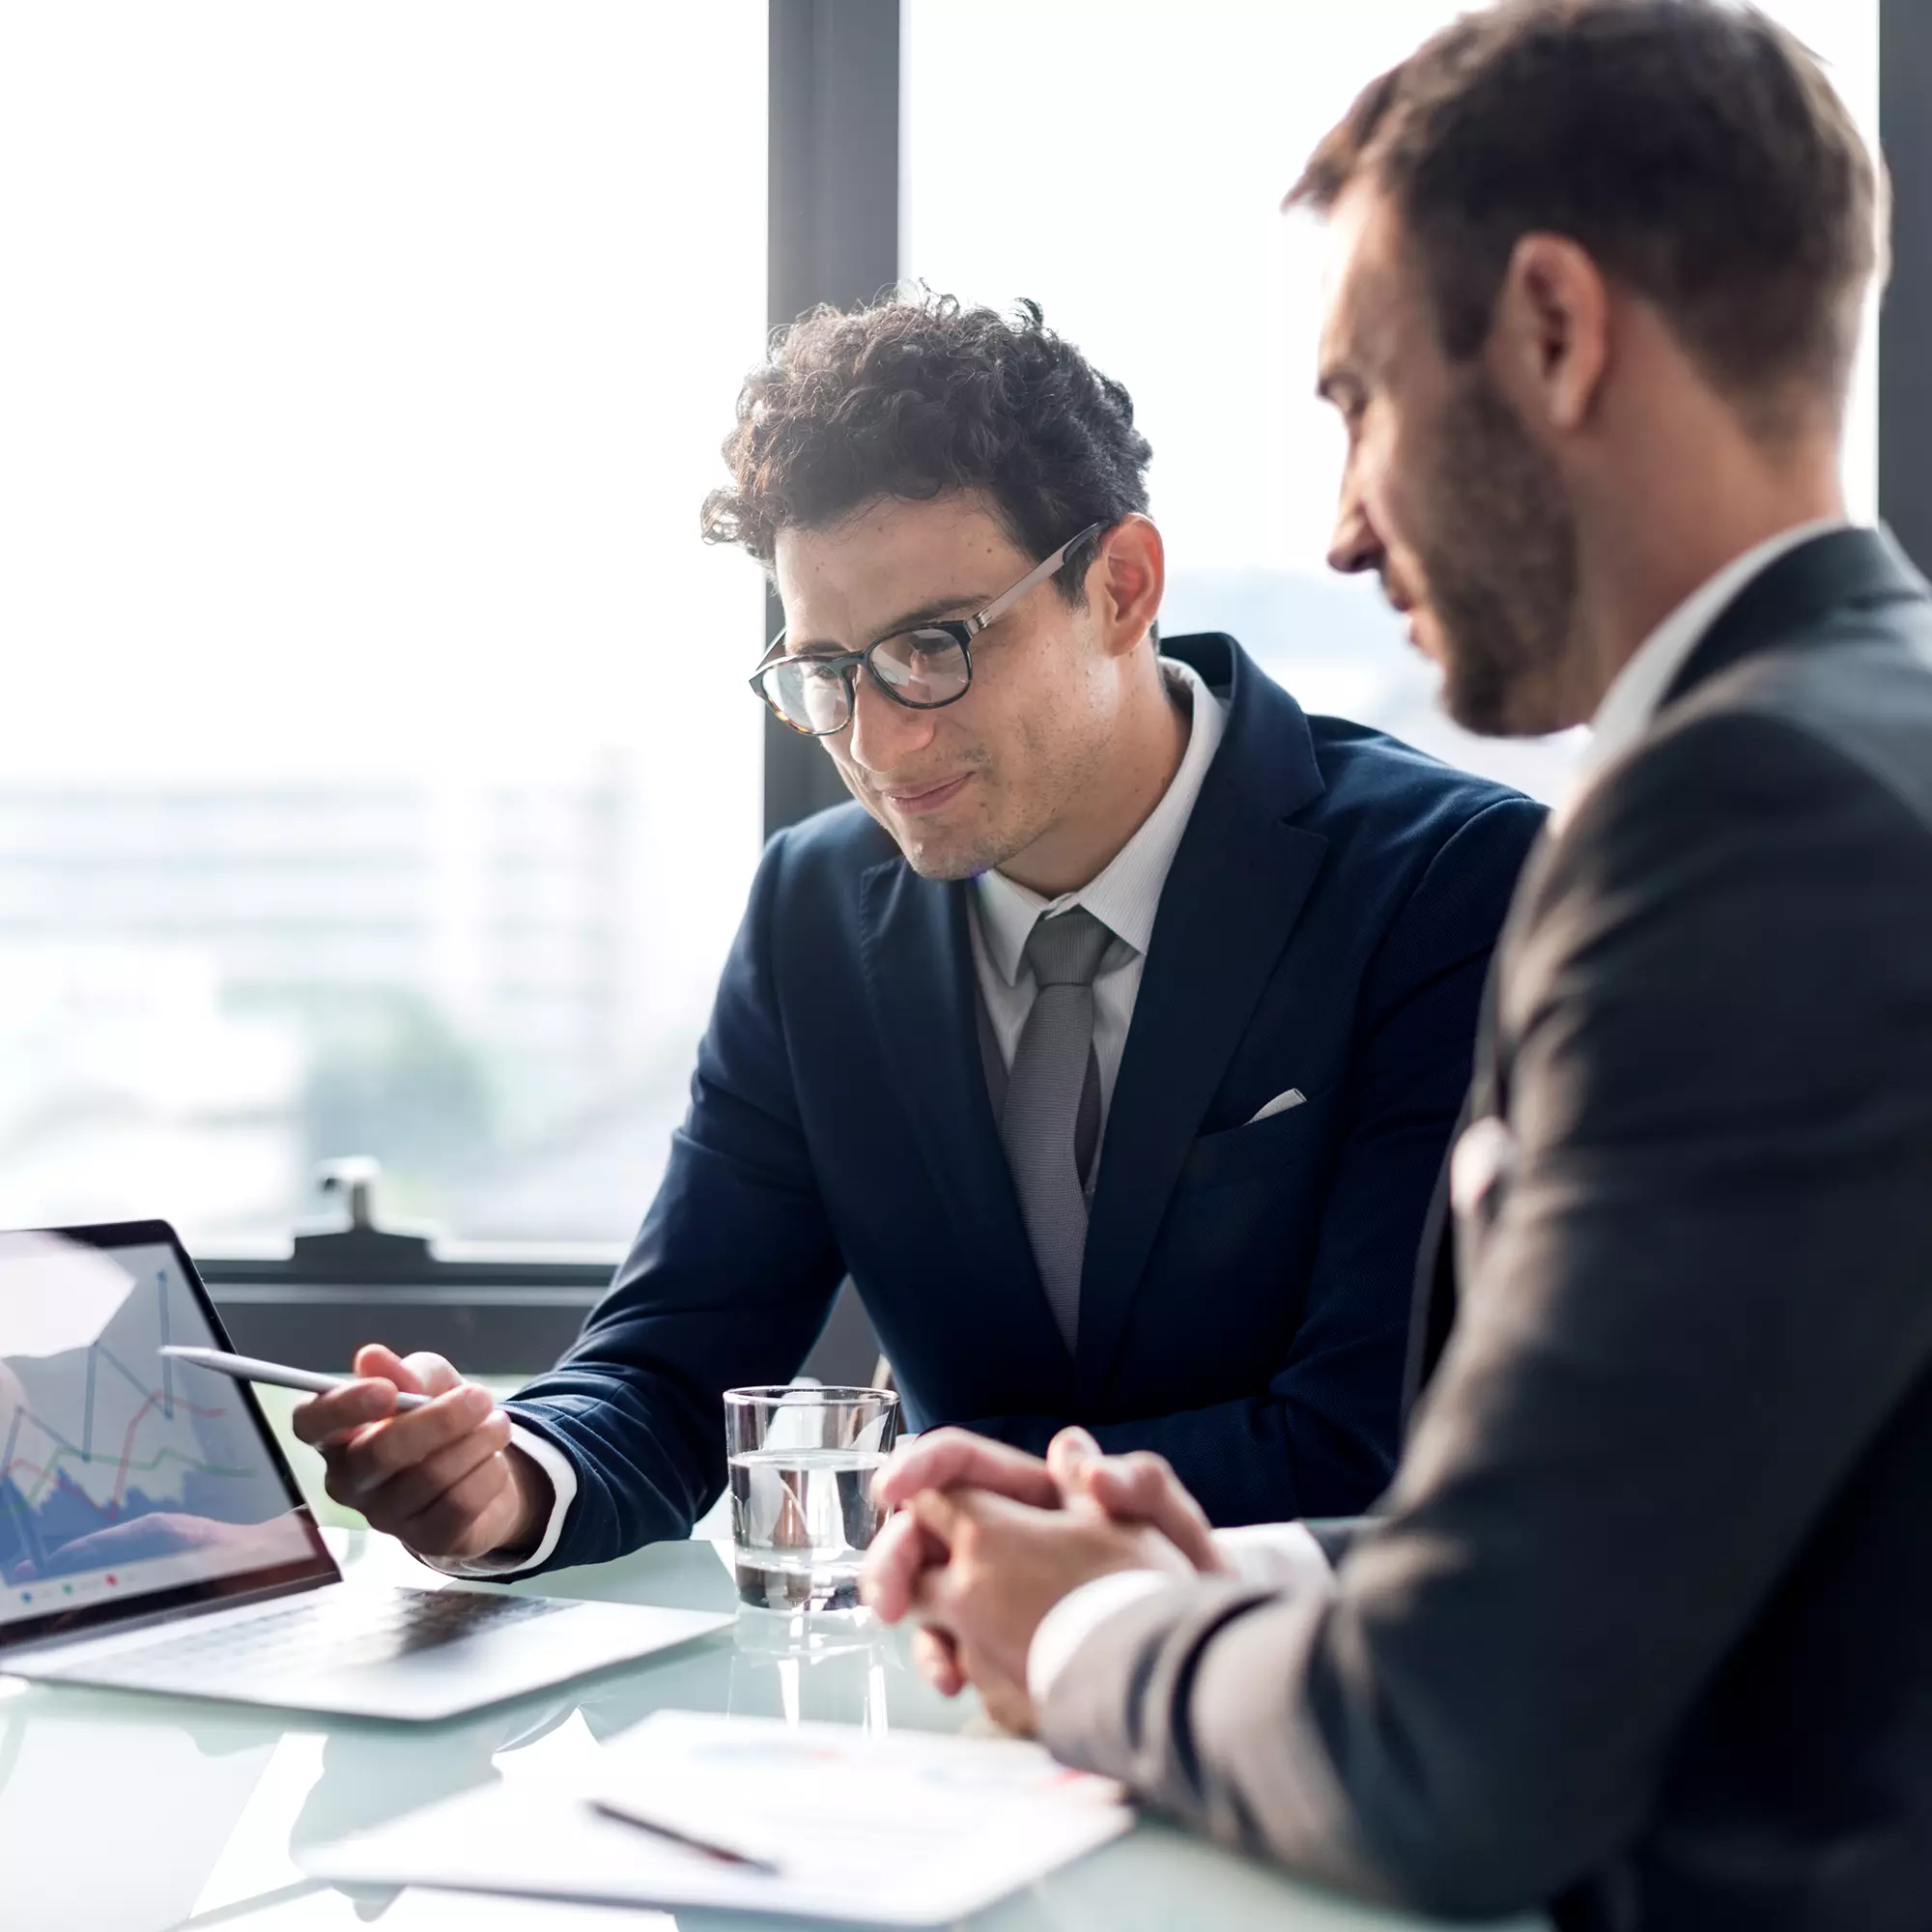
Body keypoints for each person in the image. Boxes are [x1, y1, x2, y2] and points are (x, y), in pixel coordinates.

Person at [863, 5, 1932, 1927]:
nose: (1343, 528)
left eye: (1356, 398)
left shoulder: (1743, 821)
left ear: (1550, 327)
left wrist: (1091, 1636)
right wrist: (1259, 1578)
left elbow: (1457, 1755)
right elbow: (1695, 1518)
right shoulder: (1877, 742)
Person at [290, 296, 1542, 1571]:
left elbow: (1375, 1441)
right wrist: (507, 1478)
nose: (882, 744)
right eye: (828, 672)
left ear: (1120, 585)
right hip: (941, 1711)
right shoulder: (813, 914)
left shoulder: (1447, 885)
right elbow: (669, 1364)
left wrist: (935, 1509)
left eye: (933, 648)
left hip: (1307, 1693)